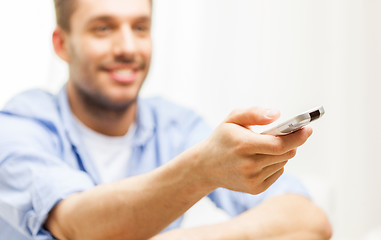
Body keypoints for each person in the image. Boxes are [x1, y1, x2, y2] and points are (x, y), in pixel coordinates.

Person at [0, 0, 332, 239]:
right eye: (103, 28)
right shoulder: (21, 124)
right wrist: (200, 170)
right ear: (62, 44)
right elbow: (76, 226)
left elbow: (308, 220)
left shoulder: (175, 125)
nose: (128, 47)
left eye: (140, 27)